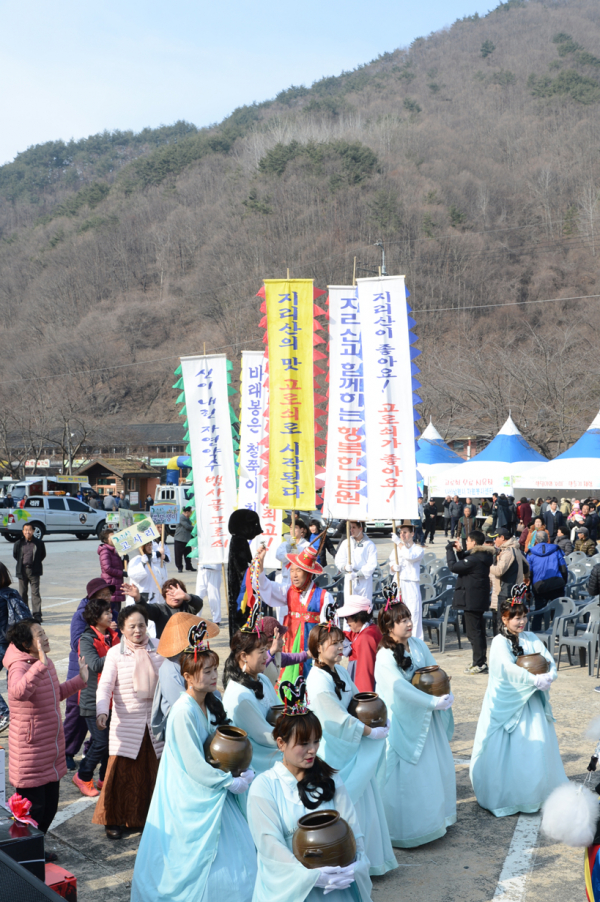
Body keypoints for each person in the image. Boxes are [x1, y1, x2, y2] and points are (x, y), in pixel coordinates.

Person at [131, 621, 256, 902]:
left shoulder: (208, 702)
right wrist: (229, 781)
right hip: (189, 792)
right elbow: (195, 765)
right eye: (208, 671)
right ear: (188, 676)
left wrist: (243, 768)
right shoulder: (182, 711)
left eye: (214, 670)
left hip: (210, 789)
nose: (214, 676)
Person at [247, 696, 372, 902]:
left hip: (337, 885)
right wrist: (310, 877)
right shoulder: (264, 786)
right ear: (281, 743)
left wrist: (357, 862)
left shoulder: (329, 778)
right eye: (303, 743)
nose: (312, 749)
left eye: (316, 741)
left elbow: (351, 826)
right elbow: (269, 844)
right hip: (294, 889)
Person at [306, 619, 396, 877]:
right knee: (345, 806)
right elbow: (336, 719)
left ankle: (370, 860)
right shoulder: (317, 680)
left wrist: (377, 715)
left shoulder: (340, 671)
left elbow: (358, 699)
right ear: (318, 648)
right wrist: (369, 731)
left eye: (340, 642)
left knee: (364, 804)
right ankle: (347, 861)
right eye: (333, 644)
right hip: (335, 753)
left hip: (352, 748)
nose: (340, 647)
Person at [470, 593, 567, 817]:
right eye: (515, 618)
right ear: (504, 619)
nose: (521, 621)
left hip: (531, 702)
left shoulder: (531, 637)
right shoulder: (498, 642)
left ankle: (536, 794)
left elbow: (548, 660)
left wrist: (550, 676)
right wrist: (533, 679)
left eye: (523, 616)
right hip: (509, 703)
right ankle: (508, 797)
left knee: (535, 750)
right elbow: (505, 668)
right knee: (509, 751)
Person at [375, 599, 456, 847]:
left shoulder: (419, 645)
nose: (409, 623)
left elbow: (434, 672)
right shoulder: (384, 656)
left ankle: (434, 821)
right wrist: (431, 703)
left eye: (409, 618)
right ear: (389, 627)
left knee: (433, 769)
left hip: (426, 720)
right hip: (403, 721)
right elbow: (399, 689)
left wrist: (444, 689)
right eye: (402, 620)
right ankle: (405, 830)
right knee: (405, 776)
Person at [5, 619, 88, 845]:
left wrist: (80, 680)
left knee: (49, 808)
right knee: (32, 813)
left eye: (44, 633)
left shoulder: (44, 661)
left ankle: (37, 852)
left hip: (49, 751)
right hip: (30, 754)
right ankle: (27, 856)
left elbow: (56, 694)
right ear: (26, 643)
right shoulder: (19, 666)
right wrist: (40, 665)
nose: (45, 638)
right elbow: (18, 692)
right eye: (39, 635)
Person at [92, 604, 163, 840]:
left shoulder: (159, 648)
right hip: (127, 724)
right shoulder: (115, 653)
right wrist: (102, 710)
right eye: (132, 626)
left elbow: (172, 682)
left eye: (141, 625)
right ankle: (114, 821)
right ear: (122, 628)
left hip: (155, 723)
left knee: (151, 775)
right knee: (119, 776)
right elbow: (105, 686)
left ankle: (145, 819)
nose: (138, 631)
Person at [223, 609, 282, 814]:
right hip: (256, 759)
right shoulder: (239, 695)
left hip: (272, 745)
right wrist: (296, 737)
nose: (267, 656)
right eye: (262, 652)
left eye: (267, 650)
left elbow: (278, 710)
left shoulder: (263, 679)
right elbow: (264, 736)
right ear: (243, 656)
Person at [256, 544, 333, 682]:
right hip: (290, 646)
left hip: (312, 647)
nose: (294, 575)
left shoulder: (324, 596)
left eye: (299, 571)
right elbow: (266, 586)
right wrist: (261, 564)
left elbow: (329, 629)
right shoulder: (288, 591)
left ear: (309, 573)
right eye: (291, 571)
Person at [64, 577, 117, 770]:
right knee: (77, 713)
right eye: (102, 594)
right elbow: (77, 642)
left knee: (101, 715)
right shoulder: (82, 615)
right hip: (82, 669)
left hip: (104, 671)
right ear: (91, 597)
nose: (107, 597)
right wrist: (102, 634)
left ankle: (92, 749)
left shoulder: (112, 613)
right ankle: (67, 752)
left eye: (108, 594)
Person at [72, 597, 119, 797]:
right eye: (107, 612)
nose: (111, 615)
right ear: (96, 617)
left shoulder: (113, 635)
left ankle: (103, 778)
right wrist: (117, 651)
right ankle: (83, 776)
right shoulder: (87, 638)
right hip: (93, 699)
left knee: (111, 743)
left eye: (110, 611)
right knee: (100, 742)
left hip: (113, 699)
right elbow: (96, 665)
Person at [153, 613, 217, 729]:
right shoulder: (170, 667)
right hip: (185, 722)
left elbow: (215, 694)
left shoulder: (196, 659)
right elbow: (179, 703)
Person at [446, 529, 494, 673]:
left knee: (474, 633)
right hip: (477, 599)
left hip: (472, 600)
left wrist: (449, 550)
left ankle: (479, 663)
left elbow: (454, 567)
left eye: (467, 541)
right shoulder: (482, 556)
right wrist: (460, 552)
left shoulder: (474, 559)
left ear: (473, 542)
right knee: (477, 631)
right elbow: (465, 562)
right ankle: (480, 661)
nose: (466, 543)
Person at [0, 563, 34, 732]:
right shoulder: (12, 593)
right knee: (14, 682)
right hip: (14, 644)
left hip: (1, 644)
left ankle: (4, 713)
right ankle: (16, 716)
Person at [124, 576, 203, 638]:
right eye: (170, 594)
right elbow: (145, 609)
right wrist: (138, 598)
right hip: (165, 650)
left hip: (186, 648)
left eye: (177, 594)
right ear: (164, 596)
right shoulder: (159, 609)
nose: (175, 597)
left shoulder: (188, 608)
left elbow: (199, 603)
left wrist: (187, 596)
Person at [227, 509, 263, 638]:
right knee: (242, 626)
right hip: (241, 593)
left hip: (238, 591)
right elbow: (243, 570)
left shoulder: (238, 540)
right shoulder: (239, 542)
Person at [336, 595, 381, 692]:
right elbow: (350, 636)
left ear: (358, 617)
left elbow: (365, 672)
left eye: (348, 617)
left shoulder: (365, 637)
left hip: (362, 683)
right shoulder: (368, 629)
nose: (347, 621)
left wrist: (364, 697)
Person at [388, 522, 425, 639]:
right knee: (397, 612)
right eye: (400, 533)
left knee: (413, 612)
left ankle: (415, 639)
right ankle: (399, 637)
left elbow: (410, 556)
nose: (402, 535)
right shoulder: (396, 549)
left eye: (405, 532)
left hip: (411, 583)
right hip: (399, 583)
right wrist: (394, 568)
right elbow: (391, 564)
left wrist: (399, 542)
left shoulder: (418, 549)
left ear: (412, 534)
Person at [489, 528, 530, 629]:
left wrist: (487, 565)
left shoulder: (508, 551)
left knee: (503, 624)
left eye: (495, 538)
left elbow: (499, 570)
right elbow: (526, 566)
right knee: (511, 623)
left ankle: (504, 643)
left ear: (502, 538)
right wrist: (525, 578)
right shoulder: (516, 549)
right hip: (515, 591)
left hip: (506, 593)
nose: (494, 541)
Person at [526, 532, 567, 631]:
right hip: (556, 584)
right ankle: (558, 634)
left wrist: (527, 590)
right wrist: (564, 582)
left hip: (539, 586)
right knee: (558, 611)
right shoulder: (556, 550)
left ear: (536, 540)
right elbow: (563, 568)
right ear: (547, 539)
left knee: (538, 611)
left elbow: (528, 574)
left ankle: (535, 633)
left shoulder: (531, 553)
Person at [127, 541, 170, 634]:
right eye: (147, 545)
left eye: (150, 545)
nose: (150, 547)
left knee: (152, 623)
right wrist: (143, 563)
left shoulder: (153, 561)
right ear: (142, 547)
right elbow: (134, 575)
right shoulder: (137, 559)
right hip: (141, 595)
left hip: (153, 595)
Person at [334, 521, 378, 600]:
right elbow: (339, 560)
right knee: (350, 606)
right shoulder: (346, 543)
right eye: (350, 527)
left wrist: (357, 574)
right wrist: (345, 567)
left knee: (364, 606)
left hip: (364, 582)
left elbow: (372, 565)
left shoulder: (370, 545)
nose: (351, 530)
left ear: (360, 529)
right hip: (350, 579)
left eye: (354, 527)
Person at [260, 617, 309, 686]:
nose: (283, 642)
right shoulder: (257, 656)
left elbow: (289, 658)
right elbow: (258, 669)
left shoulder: (276, 655)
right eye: (279, 638)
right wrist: (272, 650)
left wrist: (308, 655)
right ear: (270, 641)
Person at [13, 523, 46, 623]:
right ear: (23, 531)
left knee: (35, 593)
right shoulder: (19, 543)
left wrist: (35, 564)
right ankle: (24, 613)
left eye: (29, 530)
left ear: (33, 531)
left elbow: (42, 555)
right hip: (22, 570)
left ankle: (37, 614)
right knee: (22, 593)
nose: (27, 532)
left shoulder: (39, 543)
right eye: (25, 530)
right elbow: (15, 555)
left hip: (34, 570)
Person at [275, 518, 311, 593]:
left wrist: (298, 554)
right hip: (286, 579)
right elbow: (278, 556)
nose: (292, 530)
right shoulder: (285, 544)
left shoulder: (307, 545)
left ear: (302, 530)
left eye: (295, 528)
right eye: (291, 528)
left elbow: (310, 561)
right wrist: (288, 551)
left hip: (300, 581)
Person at [97, 529, 125, 618]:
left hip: (117, 584)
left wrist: (125, 559)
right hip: (111, 584)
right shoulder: (105, 551)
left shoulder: (115, 551)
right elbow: (107, 568)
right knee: (112, 612)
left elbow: (120, 566)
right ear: (105, 540)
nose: (115, 538)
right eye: (111, 537)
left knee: (117, 611)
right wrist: (121, 573)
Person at [174, 506, 195, 573]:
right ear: (187, 512)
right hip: (179, 539)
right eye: (190, 512)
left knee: (188, 554)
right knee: (178, 555)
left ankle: (189, 566)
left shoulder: (187, 518)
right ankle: (179, 567)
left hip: (187, 539)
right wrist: (195, 528)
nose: (191, 513)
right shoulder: (181, 518)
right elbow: (187, 526)